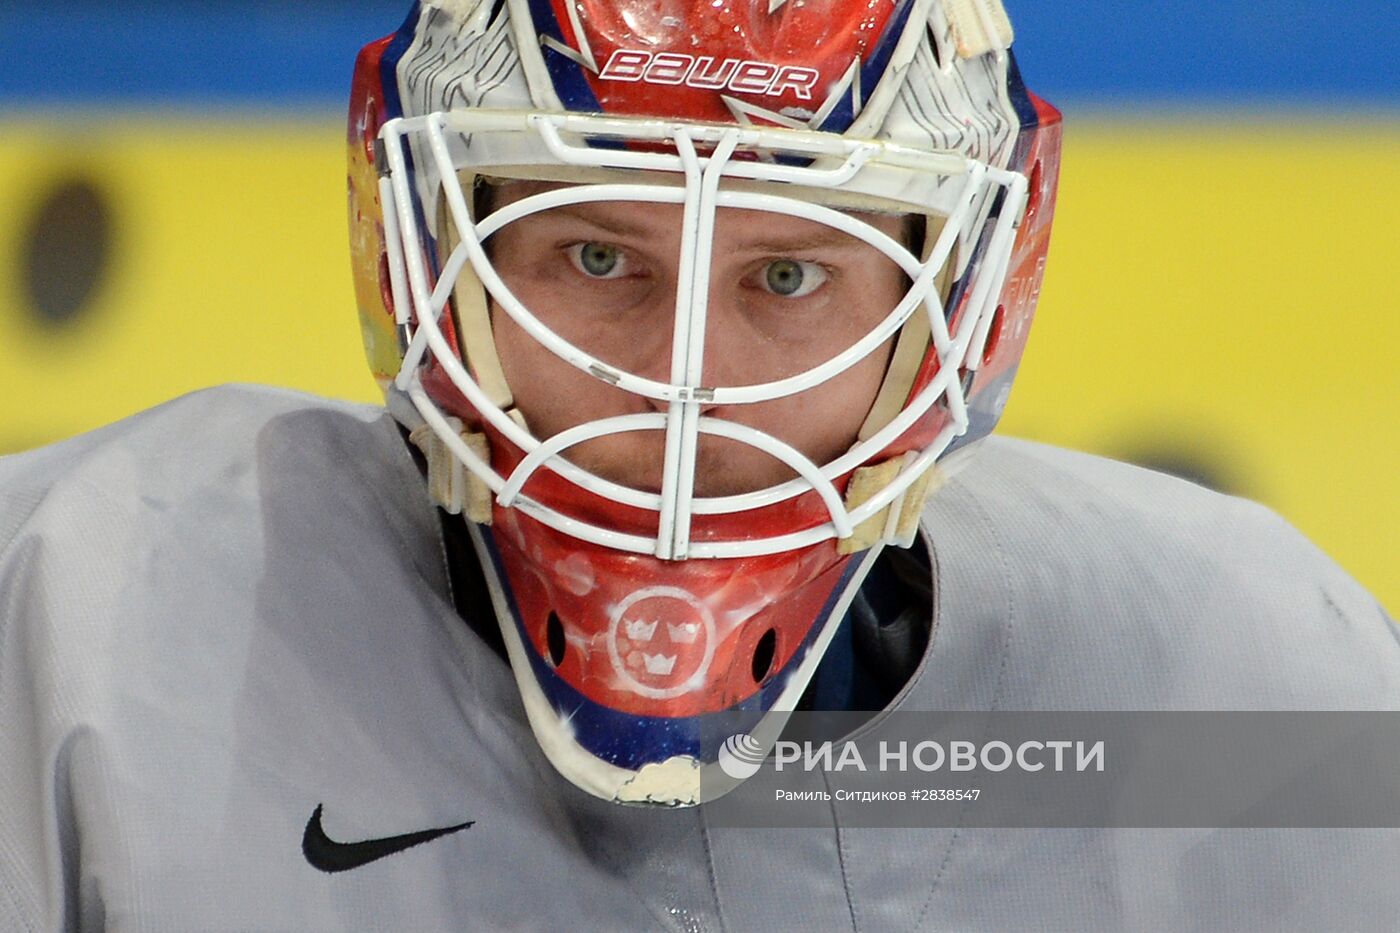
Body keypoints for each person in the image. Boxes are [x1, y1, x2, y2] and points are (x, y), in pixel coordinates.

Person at [2, 0, 1396, 929]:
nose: (687, 389)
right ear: (418, 249)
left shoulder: (1261, 681)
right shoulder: (80, 627)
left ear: (966, 299)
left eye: (790, 274)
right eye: (595, 255)